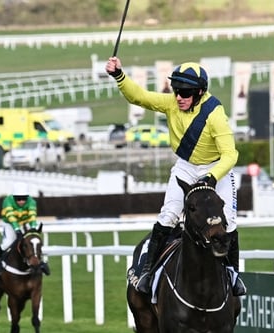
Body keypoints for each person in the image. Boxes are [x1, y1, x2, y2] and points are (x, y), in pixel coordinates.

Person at [105, 57, 246, 296]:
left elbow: (230, 155)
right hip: (186, 167)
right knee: (168, 214)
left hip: (216, 168)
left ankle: (233, 275)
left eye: (186, 92)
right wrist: (119, 75)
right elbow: (139, 96)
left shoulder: (215, 115)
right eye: (176, 91)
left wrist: (211, 177)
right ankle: (148, 272)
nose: (179, 97)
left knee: (228, 222)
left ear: (200, 92)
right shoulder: (171, 103)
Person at [0, 182, 49, 276]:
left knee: (33, 242)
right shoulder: (7, 201)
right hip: (10, 223)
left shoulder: (32, 202)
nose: (21, 201)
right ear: (13, 197)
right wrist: (17, 229)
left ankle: (41, 264)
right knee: (8, 242)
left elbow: (32, 216)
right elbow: (11, 217)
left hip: (25, 222)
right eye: (18, 199)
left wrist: (32, 228)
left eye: (24, 198)